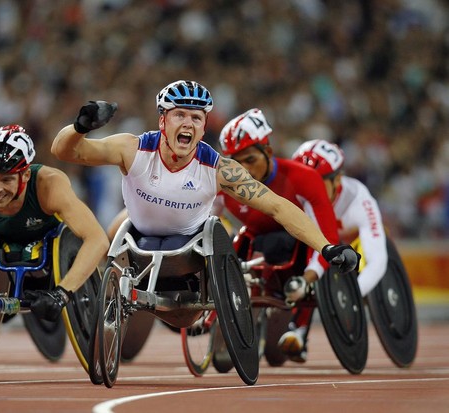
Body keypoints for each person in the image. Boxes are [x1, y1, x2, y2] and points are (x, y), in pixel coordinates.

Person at [50, 80, 358, 305]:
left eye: (196, 118)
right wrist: (79, 127)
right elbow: (64, 152)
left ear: (203, 126)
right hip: (137, 236)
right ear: (163, 120)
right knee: (113, 230)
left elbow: (279, 207)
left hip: (191, 252)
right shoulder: (131, 148)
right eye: (179, 114)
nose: (188, 123)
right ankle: (92, 298)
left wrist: (327, 248)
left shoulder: (221, 168)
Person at [0, 124, 109, 321]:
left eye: (7, 180)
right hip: (4, 248)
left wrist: (62, 294)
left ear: (26, 174)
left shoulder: (50, 185)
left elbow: (97, 239)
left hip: (50, 245)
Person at [216, 108, 341, 362]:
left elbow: (326, 238)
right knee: (238, 238)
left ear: (269, 152)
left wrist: (308, 278)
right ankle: (220, 317)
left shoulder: (303, 178)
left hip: (297, 245)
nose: (243, 171)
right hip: (258, 240)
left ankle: (300, 328)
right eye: (235, 163)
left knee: (304, 242)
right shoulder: (223, 181)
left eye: (250, 160)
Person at [292, 139, 388, 297]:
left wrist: (351, 296)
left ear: (337, 179)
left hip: (354, 244)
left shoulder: (359, 199)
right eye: (303, 181)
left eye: (316, 182)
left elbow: (377, 262)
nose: (308, 189)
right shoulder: (297, 197)